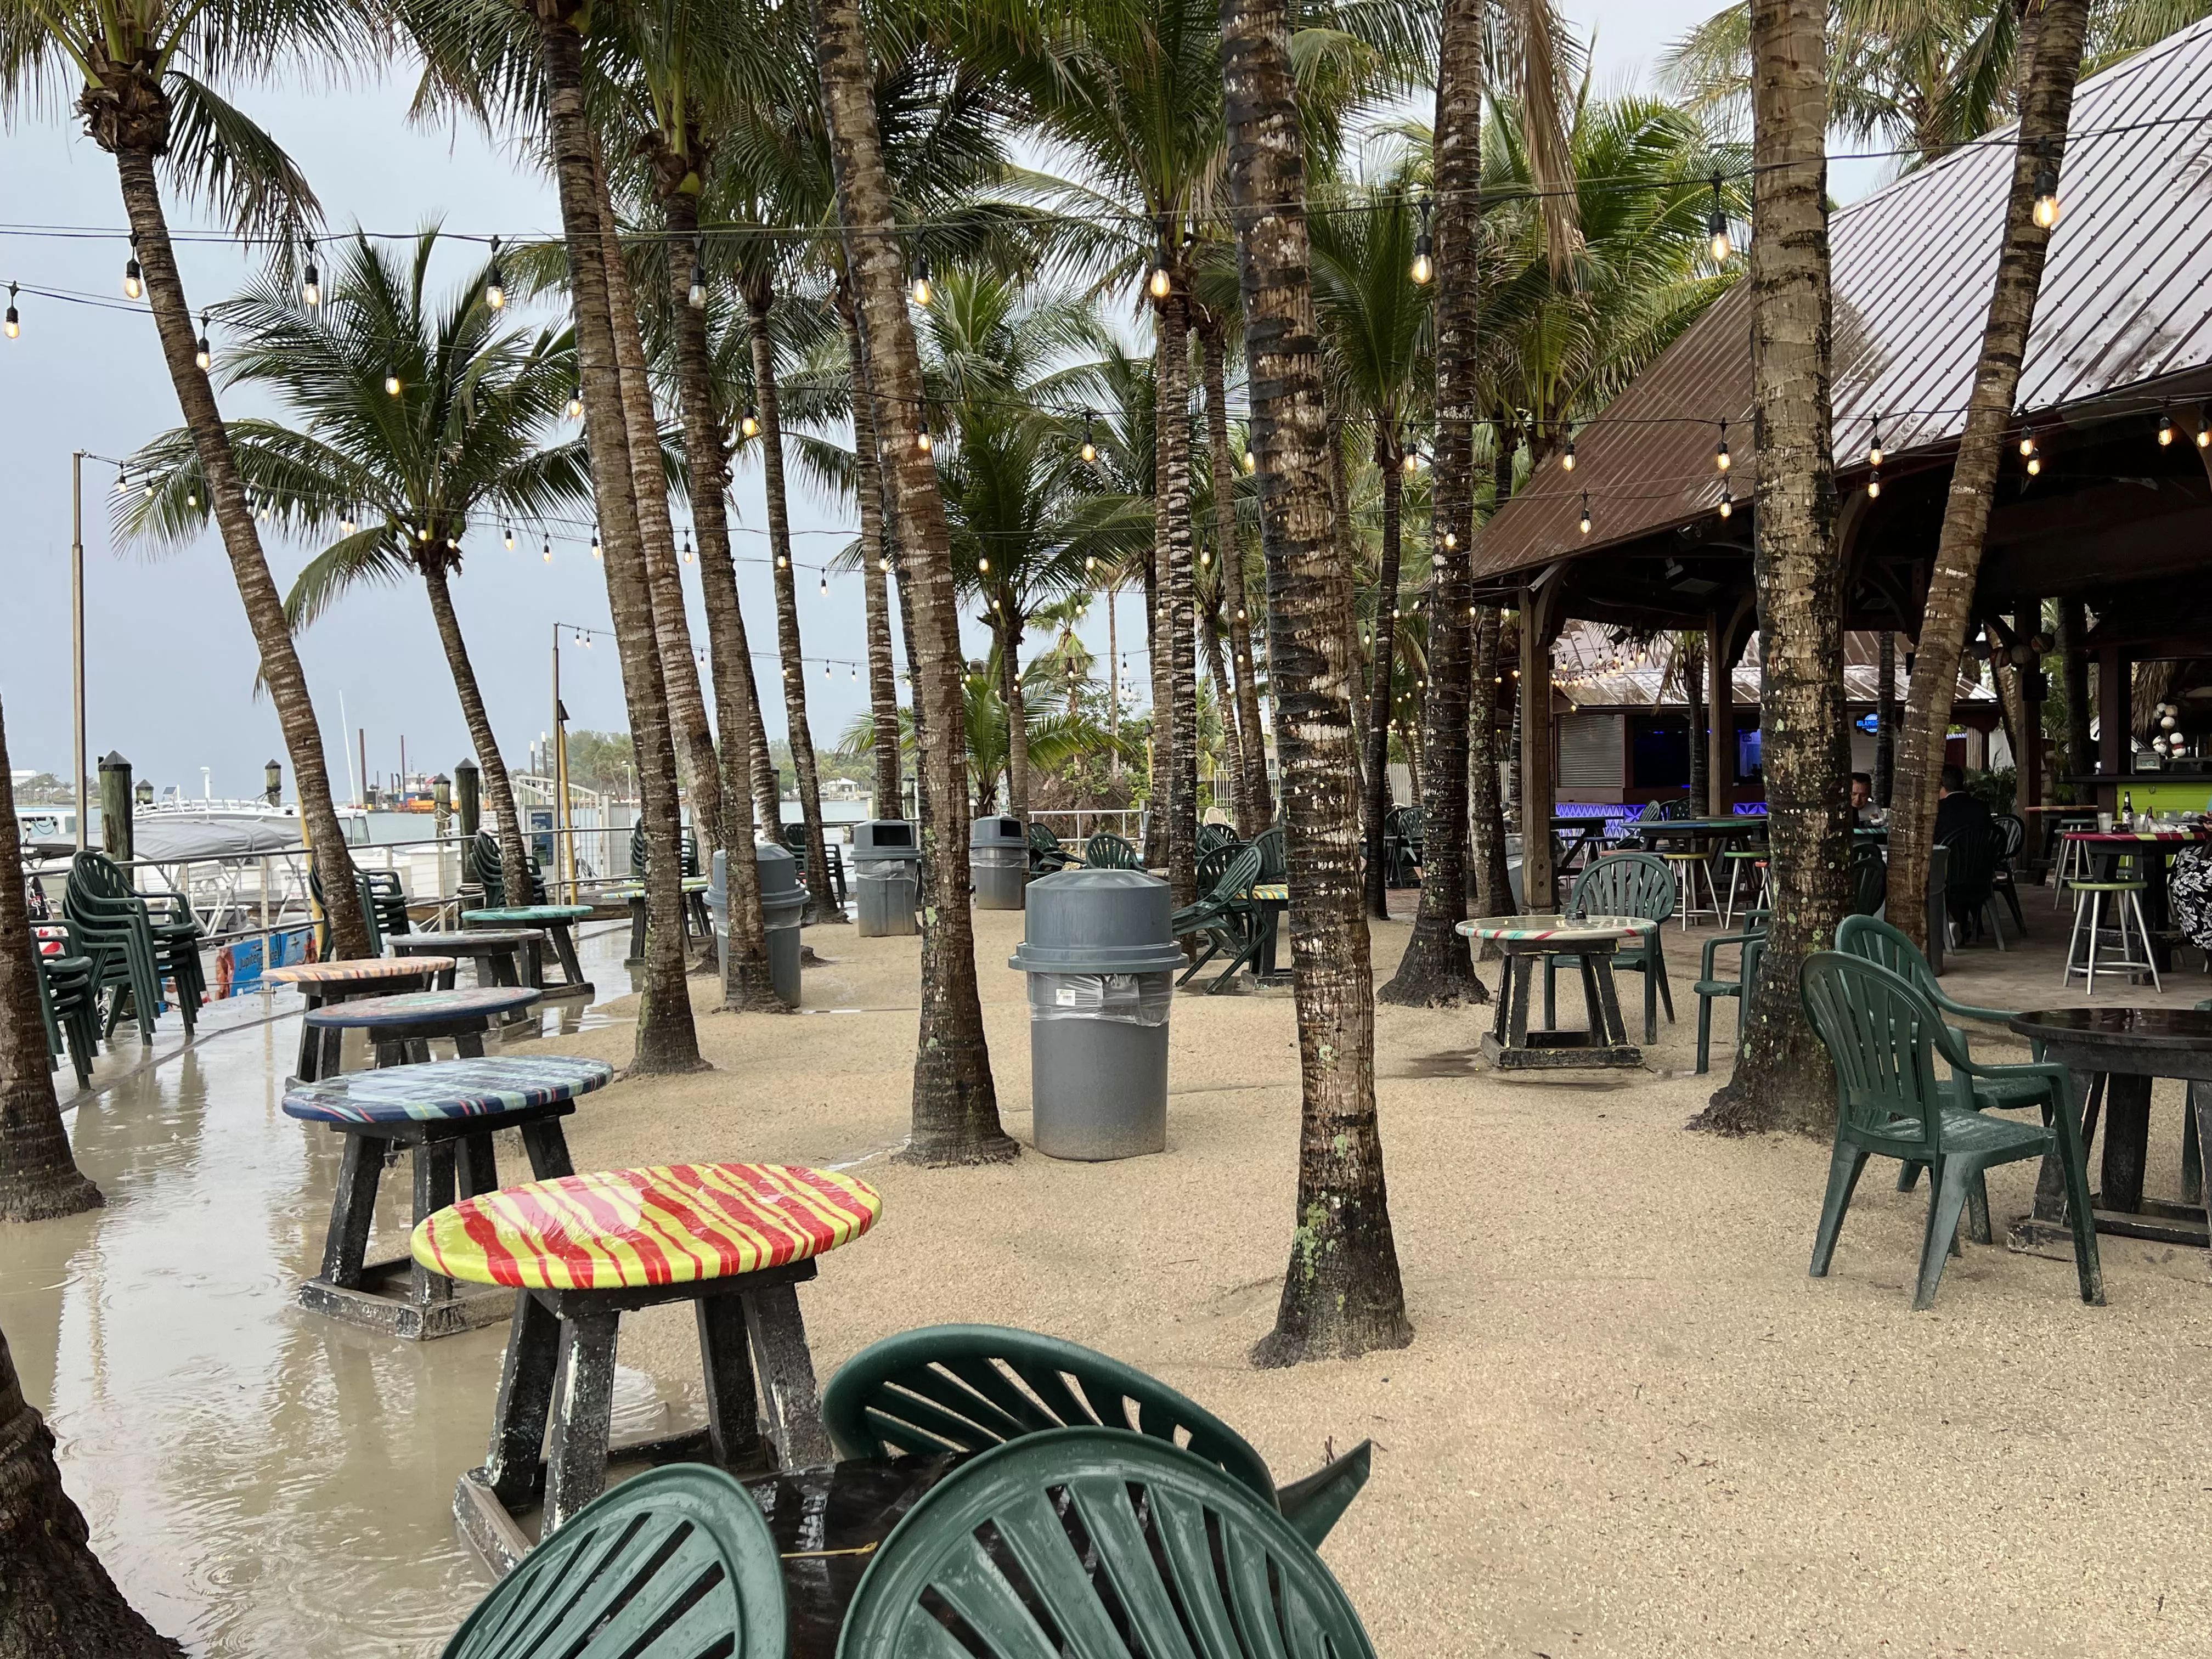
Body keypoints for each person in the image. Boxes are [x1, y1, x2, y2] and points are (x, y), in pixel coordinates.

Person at [1933, 764, 1991, 844]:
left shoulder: (1937, 809)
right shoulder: (1982, 807)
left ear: (1940, 785)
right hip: (1979, 856)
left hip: (1948, 856)